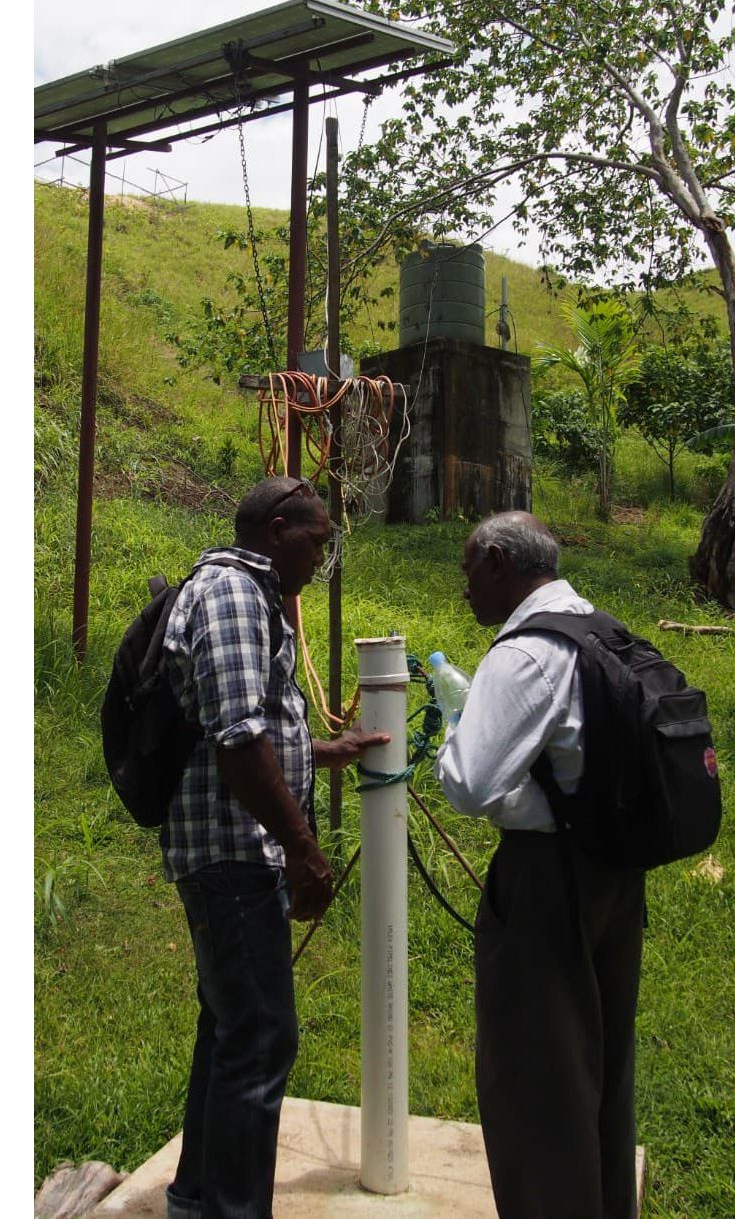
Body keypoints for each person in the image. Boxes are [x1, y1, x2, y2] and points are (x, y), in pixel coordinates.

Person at [160, 475, 389, 1219]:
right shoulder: (230, 593)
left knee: (232, 1027)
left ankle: (197, 1198)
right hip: (231, 850)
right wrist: (303, 848)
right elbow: (236, 740)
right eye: (319, 540)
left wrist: (328, 751)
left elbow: (256, 727)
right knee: (261, 1035)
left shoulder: (257, 598)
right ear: (280, 528)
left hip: (234, 845)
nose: (323, 556)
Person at [434, 511, 645, 1219]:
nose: (465, 591)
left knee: (535, 1081)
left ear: (497, 561)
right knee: (602, 1068)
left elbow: (470, 782)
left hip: (545, 881)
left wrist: (456, 727)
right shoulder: (600, 628)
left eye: (468, 572)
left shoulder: (524, 653)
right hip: (615, 873)